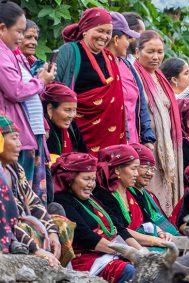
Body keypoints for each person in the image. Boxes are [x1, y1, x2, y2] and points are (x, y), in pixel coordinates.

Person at [52, 152, 138, 283]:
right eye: (86, 179)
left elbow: (118, 227)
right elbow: (85, 235)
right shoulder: (62, 201)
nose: (91, 185)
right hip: (86, 260)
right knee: (131, 273)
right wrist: (125, 252)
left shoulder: (92, 199)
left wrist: (141, 254)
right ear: (70, 178)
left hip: (110, 254)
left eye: (93, 179)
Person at [54, 7, 126, 156]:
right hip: (78, 132)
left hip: (110, 138)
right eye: (100, 30)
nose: (104, 37)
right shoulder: (69, 51)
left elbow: (119, 104)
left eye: (108, 32)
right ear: (85, 30)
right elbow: (55, 90)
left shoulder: (110, 57)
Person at [1, 4, 55, 202]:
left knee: (25, 194)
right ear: (1, 28)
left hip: (22, 134)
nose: (22, 38)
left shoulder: (10, 53)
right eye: (19, 32)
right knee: (16, 194)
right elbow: (15, 90)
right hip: (9, 135)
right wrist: (41, 82)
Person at [0, 115, 60, 266]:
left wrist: (52, 231)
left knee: (61, 225)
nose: (19, 144)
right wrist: (35, 248)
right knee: (28, 228)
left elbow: (33, 202)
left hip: (19, 225)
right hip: (11, 230)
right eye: (14, 138)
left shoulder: (15, 169)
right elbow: (5, 222)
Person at [134, 30, 183, 213]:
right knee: (150, 190)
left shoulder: (160, 77)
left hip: (166, 146)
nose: (156, 57)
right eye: (150, 52)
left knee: (165, 191)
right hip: (148, 146)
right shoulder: (135, 75)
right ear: (138, 52)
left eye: (160, 52)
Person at [93, 144, 171, 250]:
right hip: (127, 247)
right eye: (134, 169)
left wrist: (161, 232)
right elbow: (120, 229)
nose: (136, 174)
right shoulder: (103, 195)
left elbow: (147, 219)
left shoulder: (132, 192)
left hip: (143, 243)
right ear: (117, 170)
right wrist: (154, 241)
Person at [107, 12, 154, 148]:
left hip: (133, 143)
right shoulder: (102, 66)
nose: (130, 43)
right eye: (127, 38)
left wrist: (147, 138)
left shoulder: (128, 66)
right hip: (113, 143)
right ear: (116, 39)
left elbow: (141, 105)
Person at [131, 144, 177, 236]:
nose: (149, 173)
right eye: (145, 168)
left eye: (152, 169)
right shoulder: (127, 194)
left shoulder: (150, 195)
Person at [42, 83, 86, 159]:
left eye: (74, 110)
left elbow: (83, 155)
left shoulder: (72, 126)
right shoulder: (43, 131)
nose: (72, 115)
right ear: (50, 109)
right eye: (67, 110)